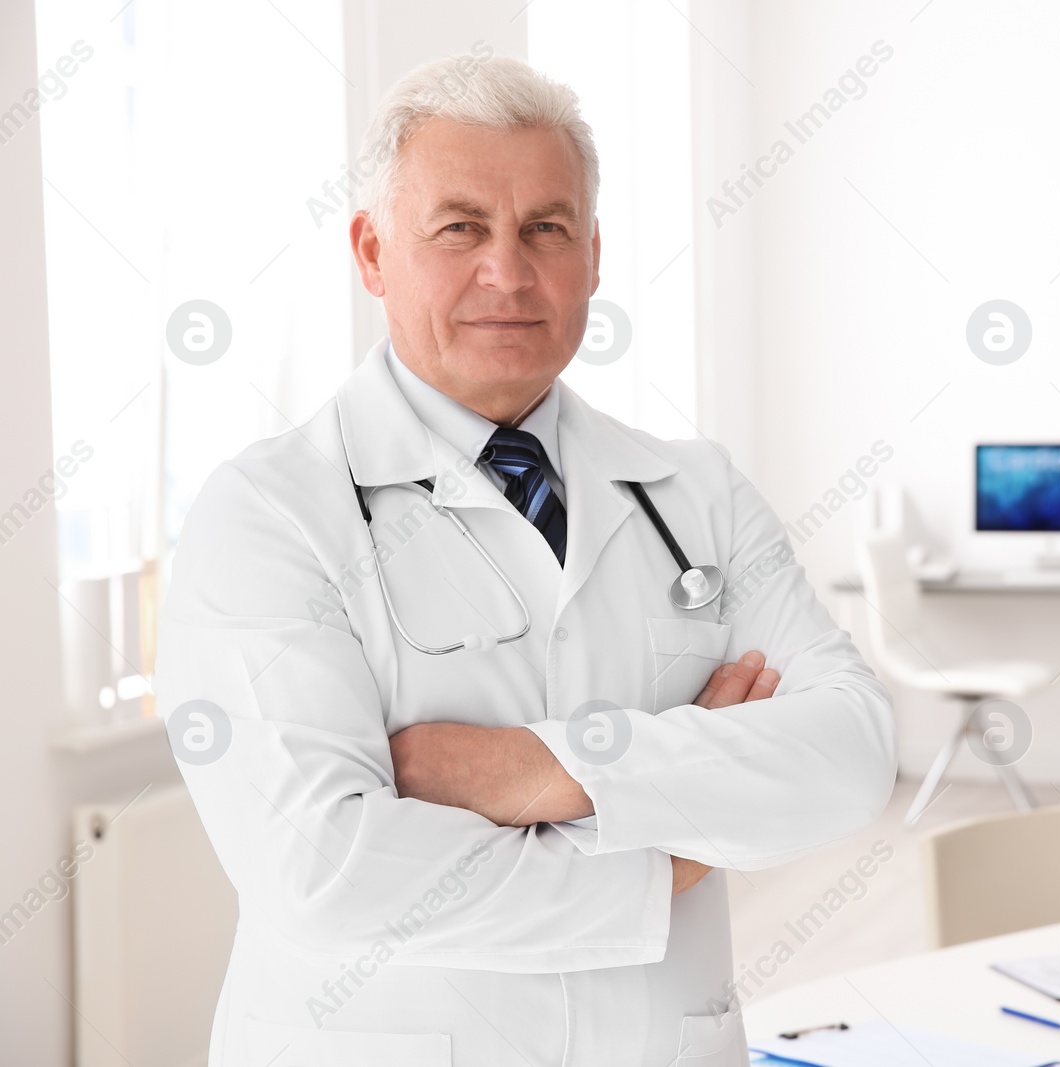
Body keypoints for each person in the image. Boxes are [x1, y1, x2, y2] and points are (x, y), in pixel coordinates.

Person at [155, 53, 895, 1067]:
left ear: (592, 256)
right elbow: (327, 873)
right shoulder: (268, 514)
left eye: (546, 229)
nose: (508, 271)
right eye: (459, 227)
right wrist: (676, 843)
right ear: (372, 251)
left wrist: (533, 770)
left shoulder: (696, 492)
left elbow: (850, 756)